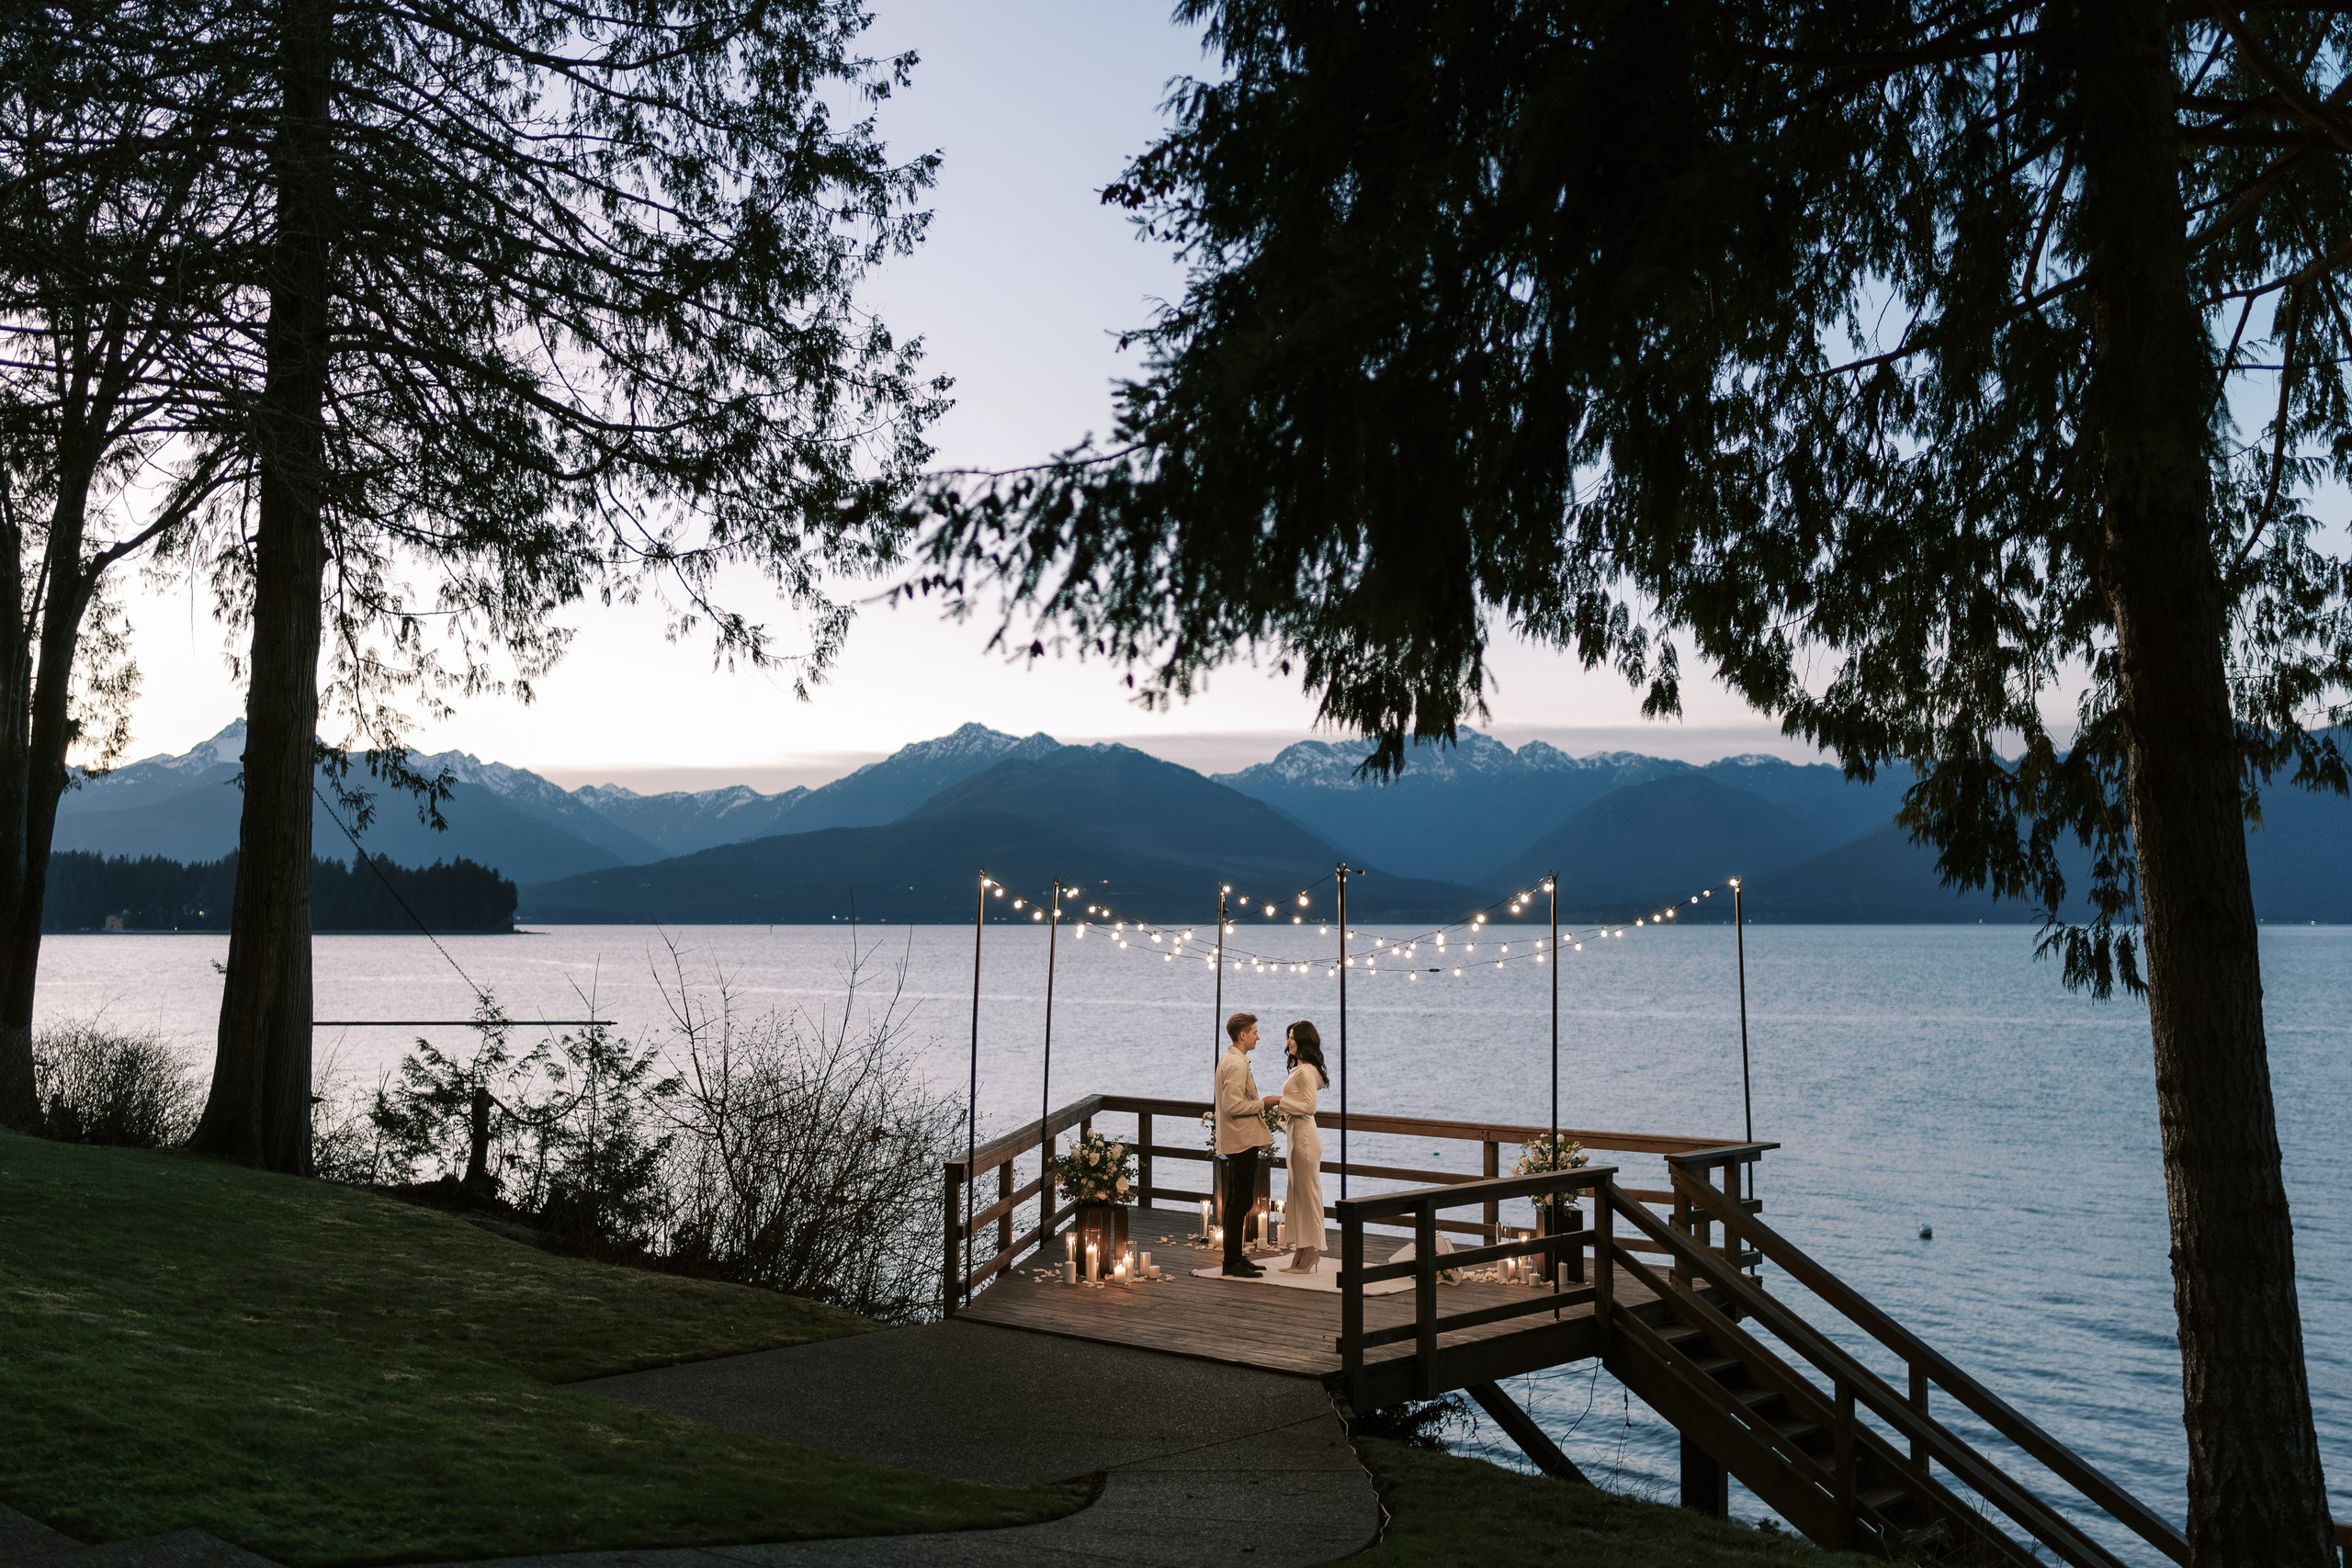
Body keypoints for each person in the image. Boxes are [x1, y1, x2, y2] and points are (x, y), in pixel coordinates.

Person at [1214, 1011, 1272, 1276]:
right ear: (1243, 1035)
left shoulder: (1231, 1060)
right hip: (1241, 1140)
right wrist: (1264, 1103)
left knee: (1237, 1200)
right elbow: (1233, 1104)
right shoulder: (1236, 1065)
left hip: (1237, 1139)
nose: (1258, 1037)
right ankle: (1232, 1262)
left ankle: (1235, 1257)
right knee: (1240, 1202)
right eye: (1254, 1032)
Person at [1275, 1021, 1329, 1273]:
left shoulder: (1306, 1071)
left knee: (1308, 1196)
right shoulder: (1299, 1069)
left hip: (1305, 1137)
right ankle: (1301, 1250)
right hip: (1296, 1136)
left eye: (1293, 1038)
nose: (1289, 1042)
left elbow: (1309, 1107)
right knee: (1298, 1195)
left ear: (1304, 1041)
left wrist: (1279, 1101)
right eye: (1288, 1037)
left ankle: (1311, 1251)